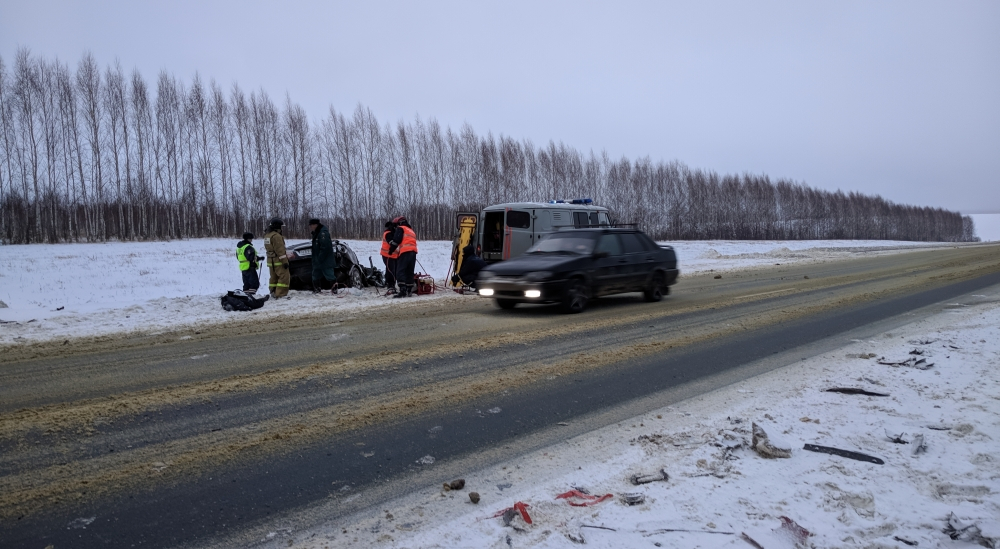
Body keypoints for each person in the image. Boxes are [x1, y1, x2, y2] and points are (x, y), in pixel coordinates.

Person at [388, 216, 418, 298]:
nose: (396, 226)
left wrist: (391, 250)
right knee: (409, 271)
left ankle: (403, 290)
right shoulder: (411, 231)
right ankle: (409, 290)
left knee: (400, 270)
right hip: (413, 252)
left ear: (400, 223)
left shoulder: (401, 228)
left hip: (405, 252)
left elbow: (396, 240)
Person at [309, 218, 339, 294]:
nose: (310, 227)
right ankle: (317, 290)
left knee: (329, 275)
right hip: (318, 260)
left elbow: (325, 247)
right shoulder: (316, 233)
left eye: (311, 225)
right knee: (315, 275)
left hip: (325, 260)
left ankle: (334, 290)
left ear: (315, 225)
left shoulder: (323, 233)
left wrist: (320, 258)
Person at [263, 218, 290, 298]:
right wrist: (285, 262)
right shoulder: (276, 236)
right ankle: (280, 294)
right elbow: (280, 251)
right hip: (278, 261)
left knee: (273, 277)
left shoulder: (267, 235)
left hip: (270, 261)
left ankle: (273, 291)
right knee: (284, 277)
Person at [380, 220, 398, 295]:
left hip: (394, 256)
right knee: (390, 270)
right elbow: (391, 243)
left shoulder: (393, 233)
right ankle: (390, 285)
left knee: (393, 270)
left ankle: (391, 283)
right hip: (387, 255)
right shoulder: (388, 233)